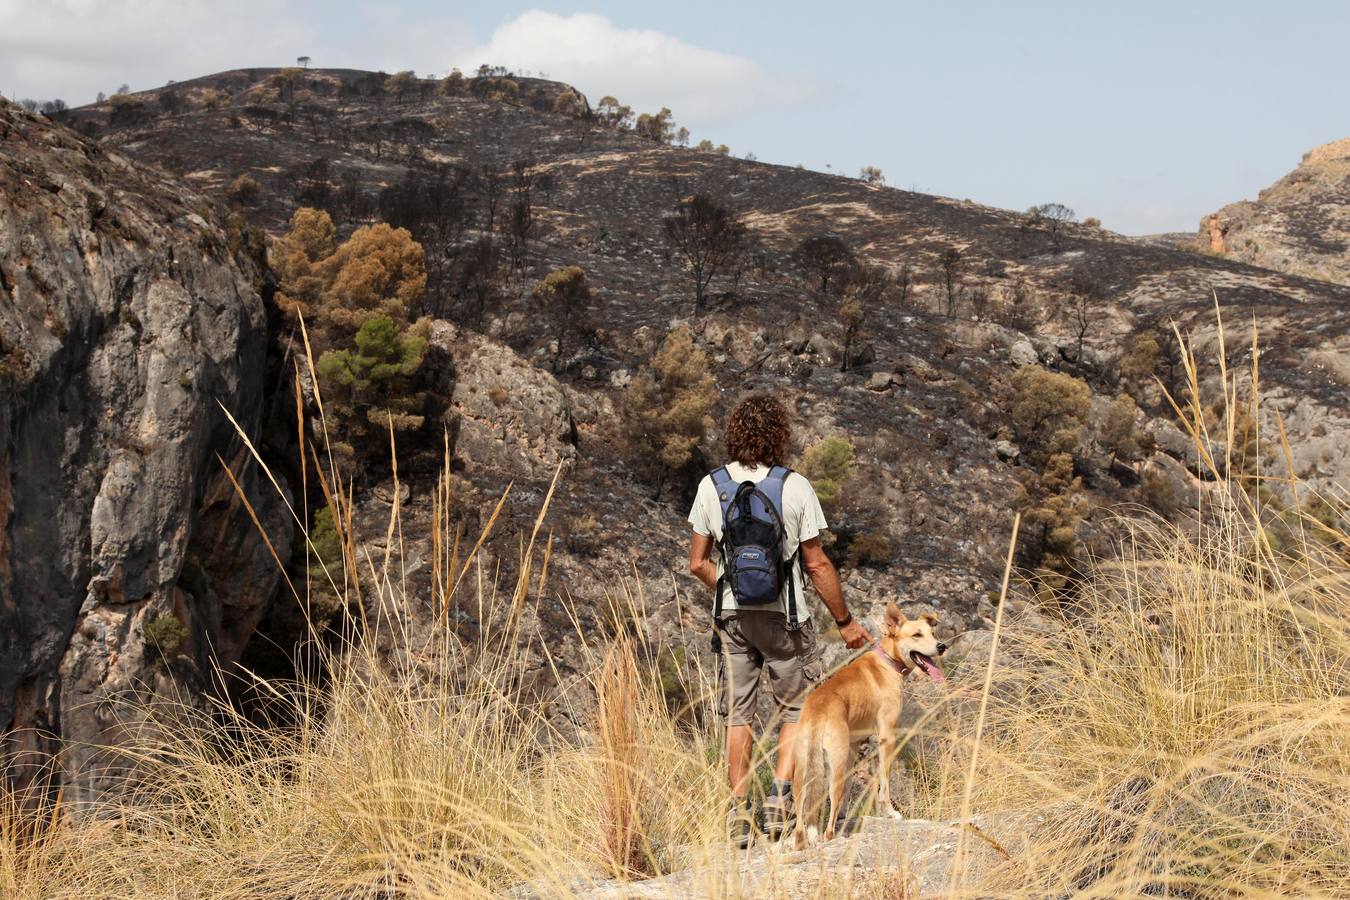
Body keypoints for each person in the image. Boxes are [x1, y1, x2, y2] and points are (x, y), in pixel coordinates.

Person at [688, 394, 872, 844]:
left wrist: (730, 590)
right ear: (779, 436)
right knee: (795, 708)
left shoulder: (710, 486)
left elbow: (697, 563)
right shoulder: (795, 486)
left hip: (732, 620)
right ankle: (778, 799)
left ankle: (737, 815)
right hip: (786, 619)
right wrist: (845, 622)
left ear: (734, 434)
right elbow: (817, 564)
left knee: (738, 714)